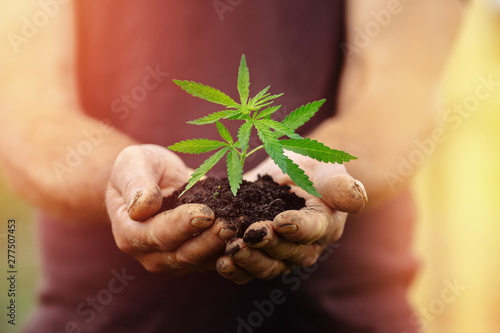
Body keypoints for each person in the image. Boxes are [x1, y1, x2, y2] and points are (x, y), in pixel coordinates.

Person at [0, 0, 467, 332]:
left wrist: (321, 167)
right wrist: (118, 176)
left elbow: (396, 102)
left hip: (347, 317)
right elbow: (22, 115)